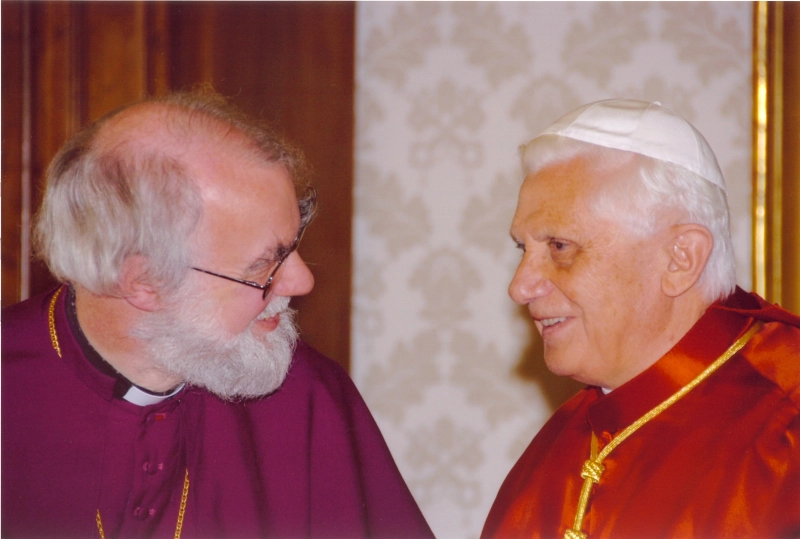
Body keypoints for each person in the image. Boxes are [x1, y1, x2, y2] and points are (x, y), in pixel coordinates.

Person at [2, 90, 433, 538]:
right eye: (264, 265)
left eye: (294, 243)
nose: (302, 282)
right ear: (143, 281)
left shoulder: (309, 396)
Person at [481, 99, 800, 538]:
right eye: (523, 250)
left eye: (559, 247)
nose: (520, 288)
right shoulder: (557, 446)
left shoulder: (787, 430)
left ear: (679, 259)